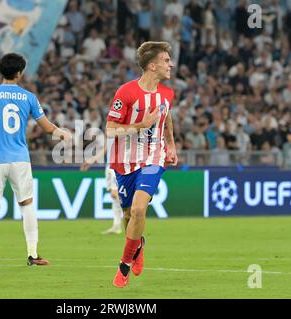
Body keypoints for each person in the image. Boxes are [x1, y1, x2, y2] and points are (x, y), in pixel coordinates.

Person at [0, 53, 71, 267]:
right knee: (26, 204)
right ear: (19, 73)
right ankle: (33, 254)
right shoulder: (29, 97)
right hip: (20, 159)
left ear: (1, 71)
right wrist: (63, 134)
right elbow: (46, 128)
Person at [106, 41, 178, 288]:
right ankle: (138, 245)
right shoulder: (125, 92)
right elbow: (109, 129)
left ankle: (124, 265)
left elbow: (167, 118)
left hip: (153, 158)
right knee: (128, 214)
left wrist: (171, 145)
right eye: (166, 60)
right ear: (152, 65)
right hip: (124, 161)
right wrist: (140, 126)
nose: (171, 64)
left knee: (138, 210)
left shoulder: (167, 94)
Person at [80, 138, 123, 235]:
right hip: (109, 166)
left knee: (115, 194)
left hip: (118, 165)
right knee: (114, 197)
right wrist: (92, 160)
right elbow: (107, 146)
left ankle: (132, 215)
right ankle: (117, 225)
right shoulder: (110, 126)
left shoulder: (122, 126)